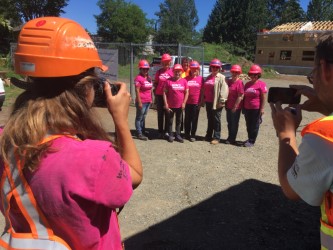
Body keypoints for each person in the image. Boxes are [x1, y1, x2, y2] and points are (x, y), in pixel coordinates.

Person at [0, 17, 142, 250]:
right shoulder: (94, 157)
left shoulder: (5, 141)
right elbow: (133, 175)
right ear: (86, 88)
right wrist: (121, 121)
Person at [270, 32, 333, 249]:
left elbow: (291, 188)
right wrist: (327, 105)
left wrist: (286, 134)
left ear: (325, 70)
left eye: (312, 73)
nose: (313, 81)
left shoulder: (326, 138)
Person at [201, 58, 229, 145]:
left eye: (217, 67)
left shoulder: (222, 77)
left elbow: (224, 90)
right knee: (210, 119)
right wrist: (203, 100)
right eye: (213, 67)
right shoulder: (208, 77)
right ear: (210, 67)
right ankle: (208, 135)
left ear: (219, 68)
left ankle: (216, 137)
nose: (214, 68)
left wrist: (222, 101)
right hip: (208, 101)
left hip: (217, 102)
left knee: (216, 119)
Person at [242, 64, 267, 147]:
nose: (253, 76)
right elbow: (244, 96)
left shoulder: (261, 84)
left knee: (255, 125)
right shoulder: (247, 84)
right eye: (251, 74)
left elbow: (263, 97)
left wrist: (262, 108)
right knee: (248, 124)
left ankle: (252, 141)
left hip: (256, 108)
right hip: (247, 108)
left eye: (255, 74)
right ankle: (249, 138)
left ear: (258, 75)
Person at [163, 64, 189, 143]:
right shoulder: (168, 81)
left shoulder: (184, 81)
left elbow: (187, 92)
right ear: (173, 71)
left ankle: (178, 135)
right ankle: (170, 135)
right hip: (171, 105)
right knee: (170, 121)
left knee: (179, 121)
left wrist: (184, 103)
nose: (177, 73)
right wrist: (166, 104)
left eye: (179, 71)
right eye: (176, 71)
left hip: (180, 105)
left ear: (181, 72)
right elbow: (164, 93)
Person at [154, 53, 173, 139]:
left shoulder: (172, 72)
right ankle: (160, 131)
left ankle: (167, 131)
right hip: (159, 95)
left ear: (170, 62)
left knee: (168, 113)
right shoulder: (159, 72)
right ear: (162, 62)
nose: (166, 63)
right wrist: (155, 94)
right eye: (164, 62)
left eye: (168, 62)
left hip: (168, 96)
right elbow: (156, 83)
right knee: (160, 114)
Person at [184, 60, 203, 142]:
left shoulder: (201, 79)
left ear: (198, 69)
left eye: (196, 69)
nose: (194, 70)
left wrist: (201, 102)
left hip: (196, 102)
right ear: (190, 69)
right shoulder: (185, 79)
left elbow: (202, 91)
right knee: (187, 119)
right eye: (192, 68)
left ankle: (193, 134)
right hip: (187, 102)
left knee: (194, 119)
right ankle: (186, 134)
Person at [134, 59, 153, 141]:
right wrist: (139, 102)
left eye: (147, 69)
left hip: (148, 101)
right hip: (142, 101)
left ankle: (142, 130)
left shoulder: (149, 78)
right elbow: (137, 90)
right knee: (139, 117)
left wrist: (151, 99)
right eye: (143, 69)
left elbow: (150, 89)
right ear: (140, 69)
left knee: (143, 117)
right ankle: (139, 133)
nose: (145, 70)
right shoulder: (138, 78)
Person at [225, 64, 244, 144]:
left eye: (236, 72)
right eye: (233, 72)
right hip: (228, 106)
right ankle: (230, 136)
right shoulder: (229, 82)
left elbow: (240, 96)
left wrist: (235, 106)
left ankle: (232, 138)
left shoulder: (240, 83)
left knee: (234, 123)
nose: (234, 73)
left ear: (239, 73)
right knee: (229, 122)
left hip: (235, 107)